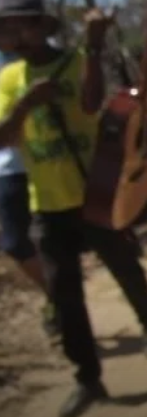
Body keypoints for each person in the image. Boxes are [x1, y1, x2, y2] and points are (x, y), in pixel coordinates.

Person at [0, 0, 147, 417]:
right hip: (47, 204)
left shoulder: (75, 61)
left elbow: (92, 103)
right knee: (64, 293)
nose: (10, 35)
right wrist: (25, 106)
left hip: (94, 195)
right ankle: (87, 377)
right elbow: (4, 137)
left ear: (36, 27)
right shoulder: (8, 80)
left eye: (15, 25)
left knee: (124, 266)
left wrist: (92, 46)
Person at [0, 38, 59, 341]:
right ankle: (55, 296)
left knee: (57, 244)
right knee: (14, 242)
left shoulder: (41, 53)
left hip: (49, 162)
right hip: (8, 169)